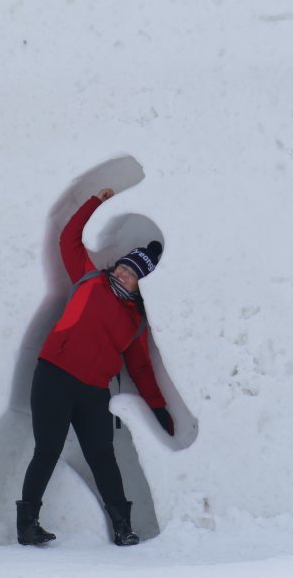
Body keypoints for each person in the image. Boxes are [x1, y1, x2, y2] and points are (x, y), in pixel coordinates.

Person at [17, 188, 175, 548]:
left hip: (92, 392)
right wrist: (95, 202)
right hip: (54, 376)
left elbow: (142, 369)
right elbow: (68, 238)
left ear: (140, 284)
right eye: (122, 265)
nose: (122, 273)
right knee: (48, 449)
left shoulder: (135, 322)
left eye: (132, 273)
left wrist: (159, 408)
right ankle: (27, 523)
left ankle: (122, 526)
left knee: (104, 456)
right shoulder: (89, 278)